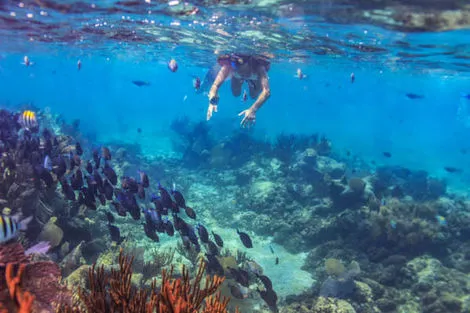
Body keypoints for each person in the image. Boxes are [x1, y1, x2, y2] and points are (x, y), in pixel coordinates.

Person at [206, 53, 271, 127]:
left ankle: (249, 83)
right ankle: (242, 79)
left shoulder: (259, 67)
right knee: (236, 93)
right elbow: (215, 85)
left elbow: (267, 92)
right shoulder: (229, 66)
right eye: (239, 71)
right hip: (237, 77)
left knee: (253, 95)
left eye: (244, 72)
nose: (243, 74)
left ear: (249, 64)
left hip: (254, 77)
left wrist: (252, 110)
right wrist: (212, 98)